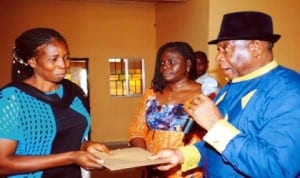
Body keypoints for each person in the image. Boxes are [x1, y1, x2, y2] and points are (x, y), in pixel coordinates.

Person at [149, 11, 300, 177]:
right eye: (218, 50)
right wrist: (181, 155)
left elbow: (277, 169)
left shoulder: (290, 91)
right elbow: (216, 148)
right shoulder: (229, 88)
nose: (218, 57)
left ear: (255, 48)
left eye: (225, 48)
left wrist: (216, 125)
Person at [0, 27, 110, 178]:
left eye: (66, 57)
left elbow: (66, 139)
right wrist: (71, 157)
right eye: (54, 59)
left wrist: (87, 146)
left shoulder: (74, 93)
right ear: (32, 61)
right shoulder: (13, 98)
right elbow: (3, 164)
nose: (63, 65)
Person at [128, 41, 204, 178]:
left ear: (187, 65)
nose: (165, 67)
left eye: (171, 62)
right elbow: (137, 130)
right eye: (162, 63)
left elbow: (210, 138)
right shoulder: (151, 94)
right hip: (153, 168)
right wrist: (145, 159)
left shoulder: (204, 94)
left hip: (187, 170)